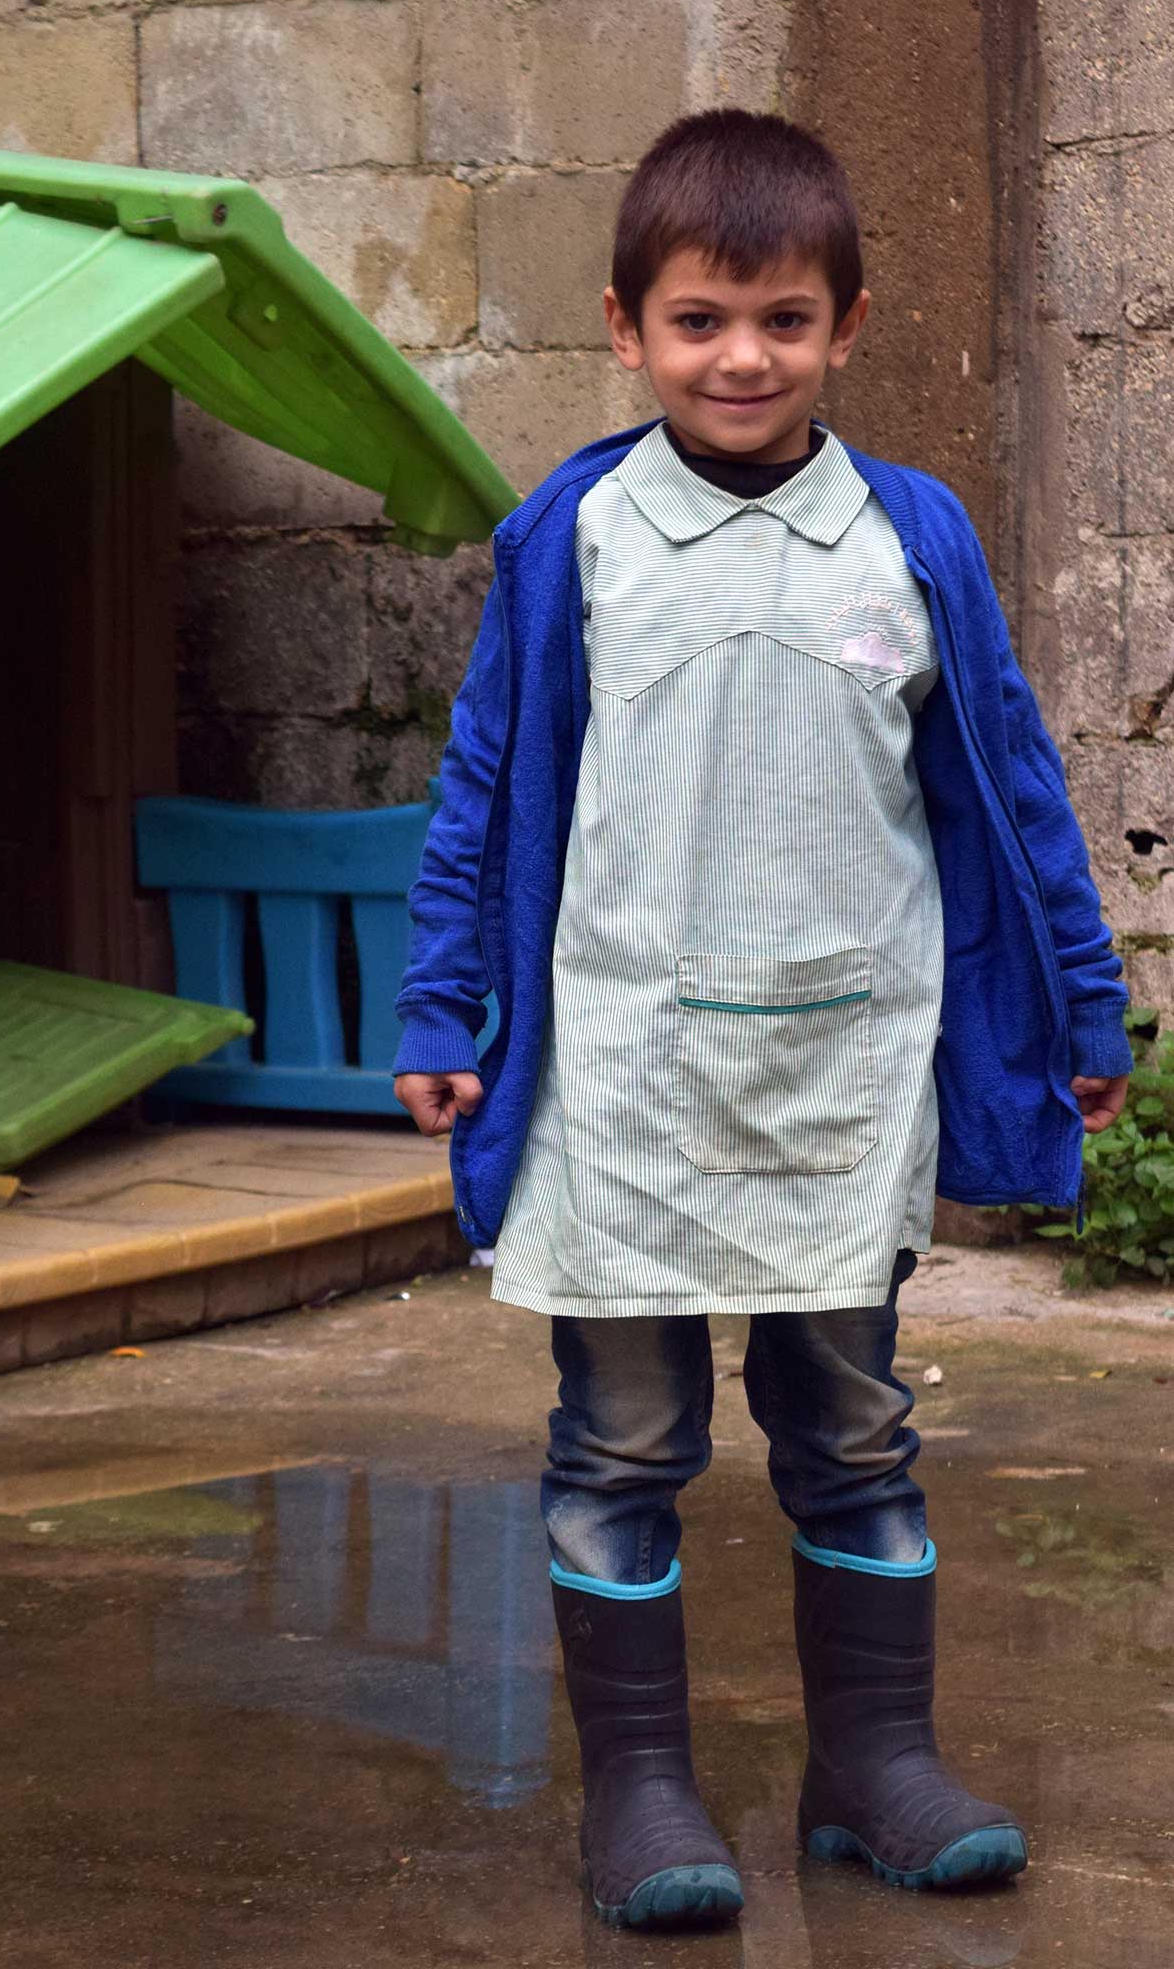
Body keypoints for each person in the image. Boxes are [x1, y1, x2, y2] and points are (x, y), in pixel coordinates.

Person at [391, 109, 1132, 1929]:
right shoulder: (572, 537)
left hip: (837, 1068)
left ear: (847, 329)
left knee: (853, 1422)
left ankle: (871, 1764)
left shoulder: (911, 536)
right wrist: (442, 996)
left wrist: (1080, 998)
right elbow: (486, 785)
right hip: (628, 1079)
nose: (742, 358)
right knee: (625, 1439)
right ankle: (640, 1789)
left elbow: (1010, 782)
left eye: (783, 321)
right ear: (625, 329)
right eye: (702, 320)